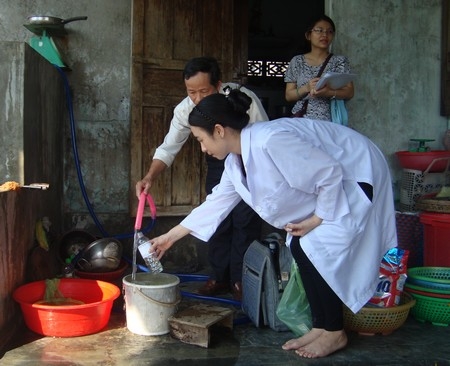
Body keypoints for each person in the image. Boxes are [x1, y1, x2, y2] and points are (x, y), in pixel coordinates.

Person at [148, 90, 397, 358]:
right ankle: (322, 326)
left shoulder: (270, 141)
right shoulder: (235, 161)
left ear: (219, 130)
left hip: (357, 172)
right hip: (336, 179)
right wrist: (170, 237)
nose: (202, 148)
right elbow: (216, 203)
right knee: (301, 247)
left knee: (318, 247)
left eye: (200, 139)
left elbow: (328, 172)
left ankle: (334, 332)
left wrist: (316, 218)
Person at [135, 57, 267, 300]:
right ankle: (219, 275)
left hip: (253, 159)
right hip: (220, 159)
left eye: (203, 91)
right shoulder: (186, 109)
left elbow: (262, 137)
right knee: (217, 215)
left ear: (218, 85)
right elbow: (168, 147)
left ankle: (241, 279)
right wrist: (149, 177)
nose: (196, 98)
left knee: (245, 218)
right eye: (191, 92)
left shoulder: (242, 98)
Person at [284, 15, 354, 120]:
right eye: (319, 30)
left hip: (330, 121)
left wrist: (328, 92)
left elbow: (349, 92)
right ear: (308, 35)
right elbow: (289, 95)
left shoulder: (339, 61)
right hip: (302, 120)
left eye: (329, 31)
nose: (325, 35)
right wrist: (306, 88)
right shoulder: (297, 61)